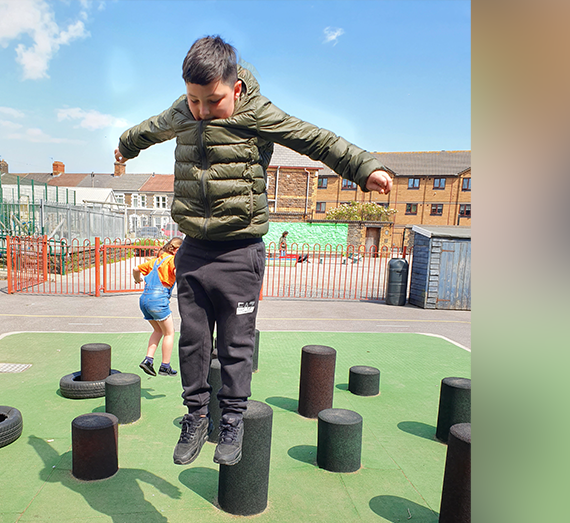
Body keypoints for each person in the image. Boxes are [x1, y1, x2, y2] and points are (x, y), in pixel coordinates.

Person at [114, 35, 392, 467]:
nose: (203, 111)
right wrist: (125, 145)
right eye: (194, 100)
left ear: (236, 89)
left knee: (236, 344)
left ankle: (233, 421)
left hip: (240, 250)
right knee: (191, 340)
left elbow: (313, 138)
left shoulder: (256, 112)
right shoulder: (182, 110)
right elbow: (150, 129)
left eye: (214, 101)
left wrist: (363, 166)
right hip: (193, 249)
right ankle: (197, 416)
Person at [132, 237, 183, 377]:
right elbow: (178, 273)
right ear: (177, 250)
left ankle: (148, 360)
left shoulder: (156, 261)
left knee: (158, 330)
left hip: (144, 300)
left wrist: (137, 279)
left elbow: (136, 269)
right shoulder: (172, 260)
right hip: (158, 300)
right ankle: (165, 366)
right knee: (169, 332)